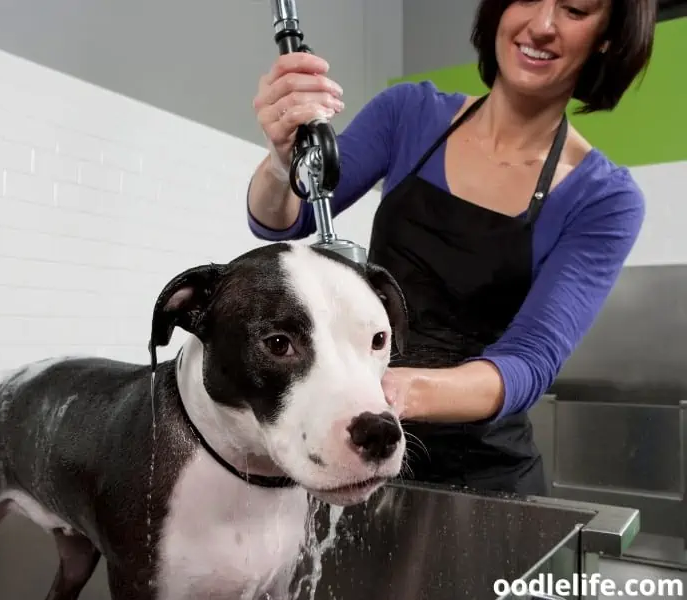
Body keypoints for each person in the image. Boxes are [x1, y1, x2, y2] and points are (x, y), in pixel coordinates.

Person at [245, 0, 658, 496]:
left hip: (483, 476)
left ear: (608, 36)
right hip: (361, 449)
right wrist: (280, 161)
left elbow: (528, 361)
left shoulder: (603, 198)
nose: (542, 26)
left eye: (575, 8)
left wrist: (389, 391)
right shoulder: (409, 114)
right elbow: (286, 218)